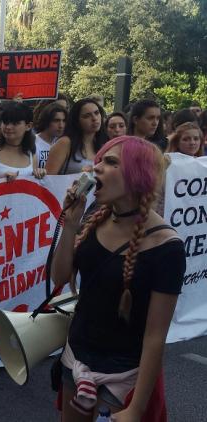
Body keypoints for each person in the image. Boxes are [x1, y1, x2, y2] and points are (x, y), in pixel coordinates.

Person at [51, 136, 184, 421]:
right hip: (76, 360)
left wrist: (136, 409)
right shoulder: (92, 219)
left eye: (110, 162)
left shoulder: (166, 247)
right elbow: (59, 277)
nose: (96, 167)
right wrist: (71, 224)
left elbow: (155, 336)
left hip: (122, 375)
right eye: (98, 159)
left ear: (138, 175)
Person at [0, 101, 45, 181]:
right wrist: (0, 181)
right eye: (5, 122)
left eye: (15, 123)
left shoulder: (32, 156)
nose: (8, 127)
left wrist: (39, 174)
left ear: (28, 126)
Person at [46, 98, 107, 175]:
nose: (94, 118)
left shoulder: (103, 144)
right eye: (87, 116)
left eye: (97, 113)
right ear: (77, 121)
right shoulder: (65, 143)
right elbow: (48, 178)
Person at [34, 104, 67, 169]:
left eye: (64, 121)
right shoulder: (33, 142)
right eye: (56, 121)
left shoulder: (64, 143)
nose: (61, 125)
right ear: (46, 121)